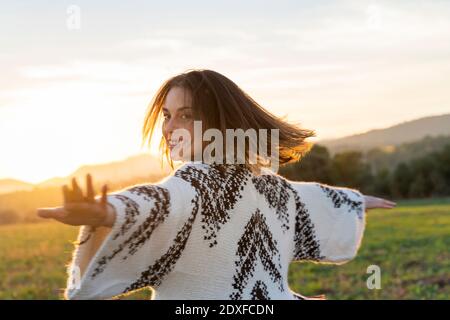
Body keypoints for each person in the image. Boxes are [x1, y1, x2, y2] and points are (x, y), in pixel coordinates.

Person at [37, 69, 396, 300]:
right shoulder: (194, 187)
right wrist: (109, 211)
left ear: (219, 122)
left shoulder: (267, 188)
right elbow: (154, 202)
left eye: (186, 115)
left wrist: (355, 200)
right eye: (167, 115)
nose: (169, 127)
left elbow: (309, 199)